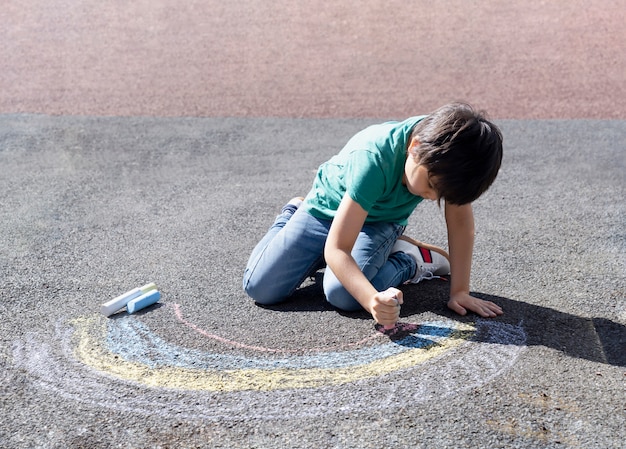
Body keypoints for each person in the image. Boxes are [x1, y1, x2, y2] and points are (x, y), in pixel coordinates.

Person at [243, 102, 504, 328]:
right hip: (324, 210)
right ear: (414, 147)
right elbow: (336, 249)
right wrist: (371, 299)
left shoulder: (452, 160)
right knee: (260, 288)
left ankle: (410, 258)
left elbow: (460, 223)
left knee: (342, 295)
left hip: (379, 221)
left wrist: (459, 291)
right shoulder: (376, 158)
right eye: (432, 187)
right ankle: (291, 215)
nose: (434, 197)